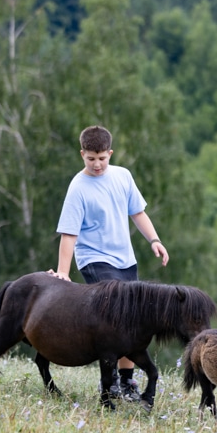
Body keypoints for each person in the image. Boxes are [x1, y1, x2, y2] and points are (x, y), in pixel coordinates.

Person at [51, 125, 169, 399]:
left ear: (110, 154)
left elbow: (138, 213)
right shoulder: (78, 187)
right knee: (118, 318)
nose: (97, 164)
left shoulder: (122, 176)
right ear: (82, 154)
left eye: (102, 158)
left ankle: (126, 381)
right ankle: (110, 380)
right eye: (91, 158)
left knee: (133, 319)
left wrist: (154, 240)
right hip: (94, 259)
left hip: (125, 259)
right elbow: (68, 234)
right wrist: (63, 272)